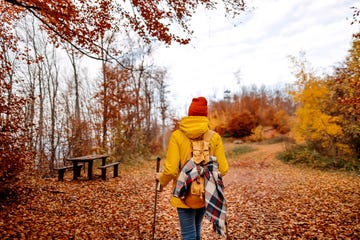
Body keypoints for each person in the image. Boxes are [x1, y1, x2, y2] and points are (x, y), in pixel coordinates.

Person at [156, 96, 229, 240]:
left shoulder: (177, 136)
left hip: (183, 194)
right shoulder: (214, 137)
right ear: (205, 115)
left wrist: (161, 182)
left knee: (188, 234)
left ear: (190, 114)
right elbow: (224, 168)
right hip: (204, 193)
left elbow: (171, 170)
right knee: (196, 231)